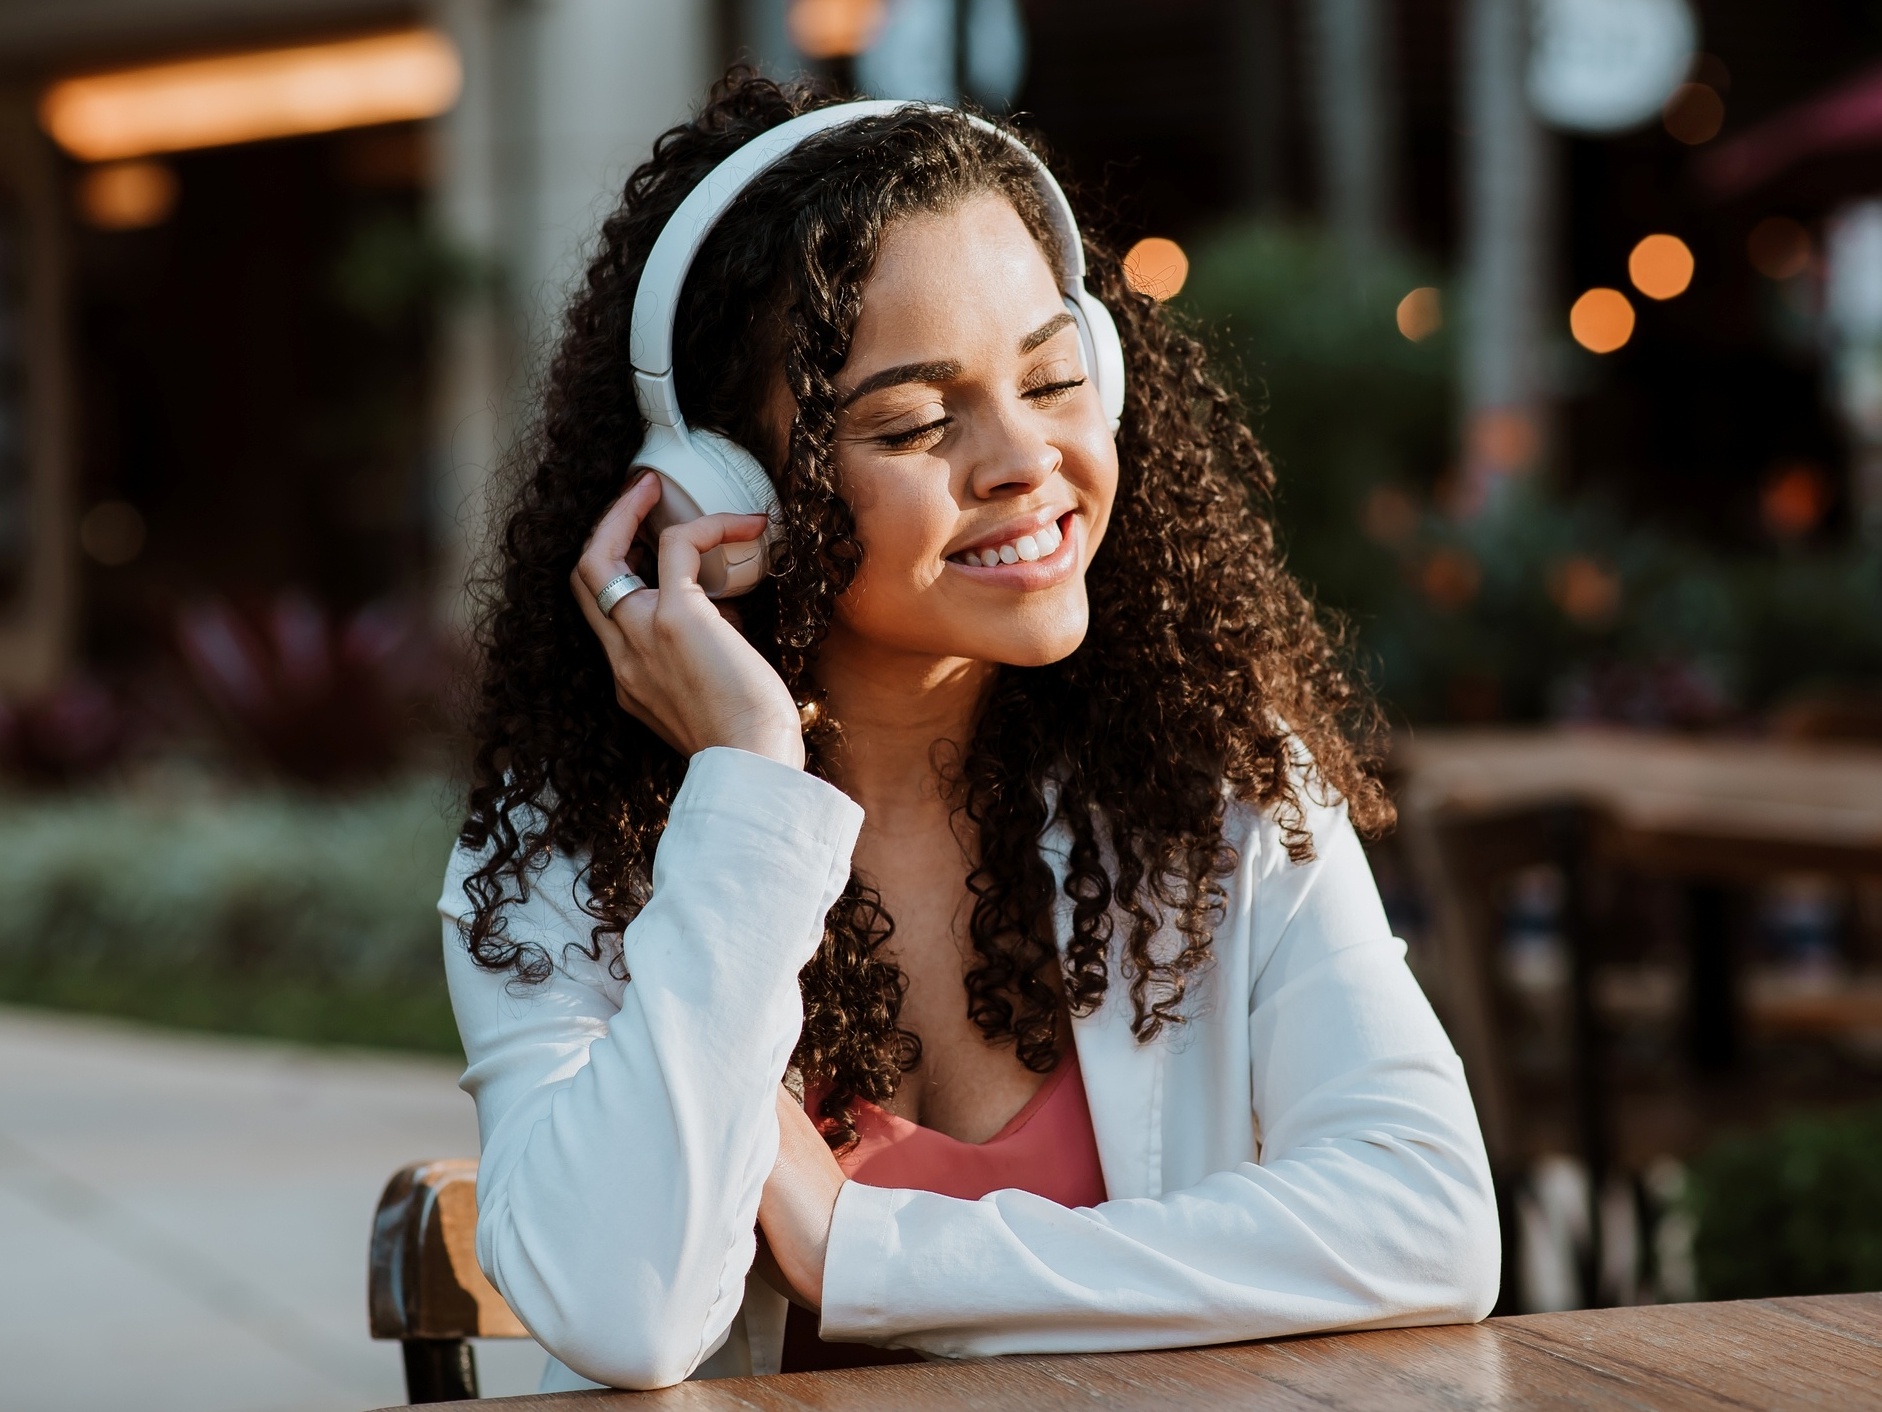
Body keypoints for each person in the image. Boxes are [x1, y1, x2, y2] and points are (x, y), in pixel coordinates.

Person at [440, 71, 1498, 1393]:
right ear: (729, 489)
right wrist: (745, 792)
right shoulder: (572, 855)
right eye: (917, 421)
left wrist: (866, 1253)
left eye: (1053, 379)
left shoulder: (1211, 781)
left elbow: (1427, 1222)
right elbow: (619, 1310)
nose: (1022, 461)